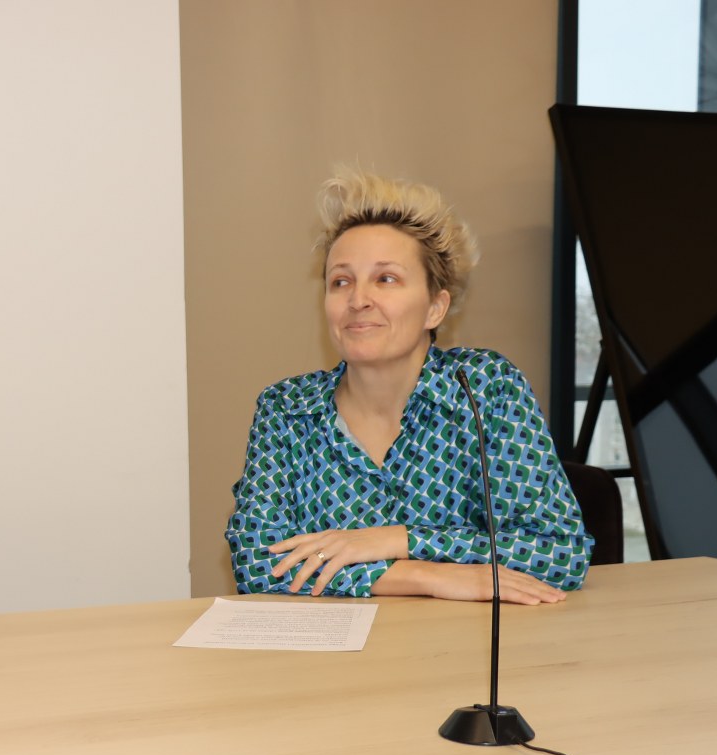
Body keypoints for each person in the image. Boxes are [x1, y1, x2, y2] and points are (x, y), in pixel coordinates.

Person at [227, 169, 591, 603]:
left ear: (435, 307)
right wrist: (429, 577)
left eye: (386, 279)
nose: (358, 300)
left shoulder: (486, 388)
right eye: (341, 281)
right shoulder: (286, 408)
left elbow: (559, 553)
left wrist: (395, 539)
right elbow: (257, 563)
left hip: (463, 644)